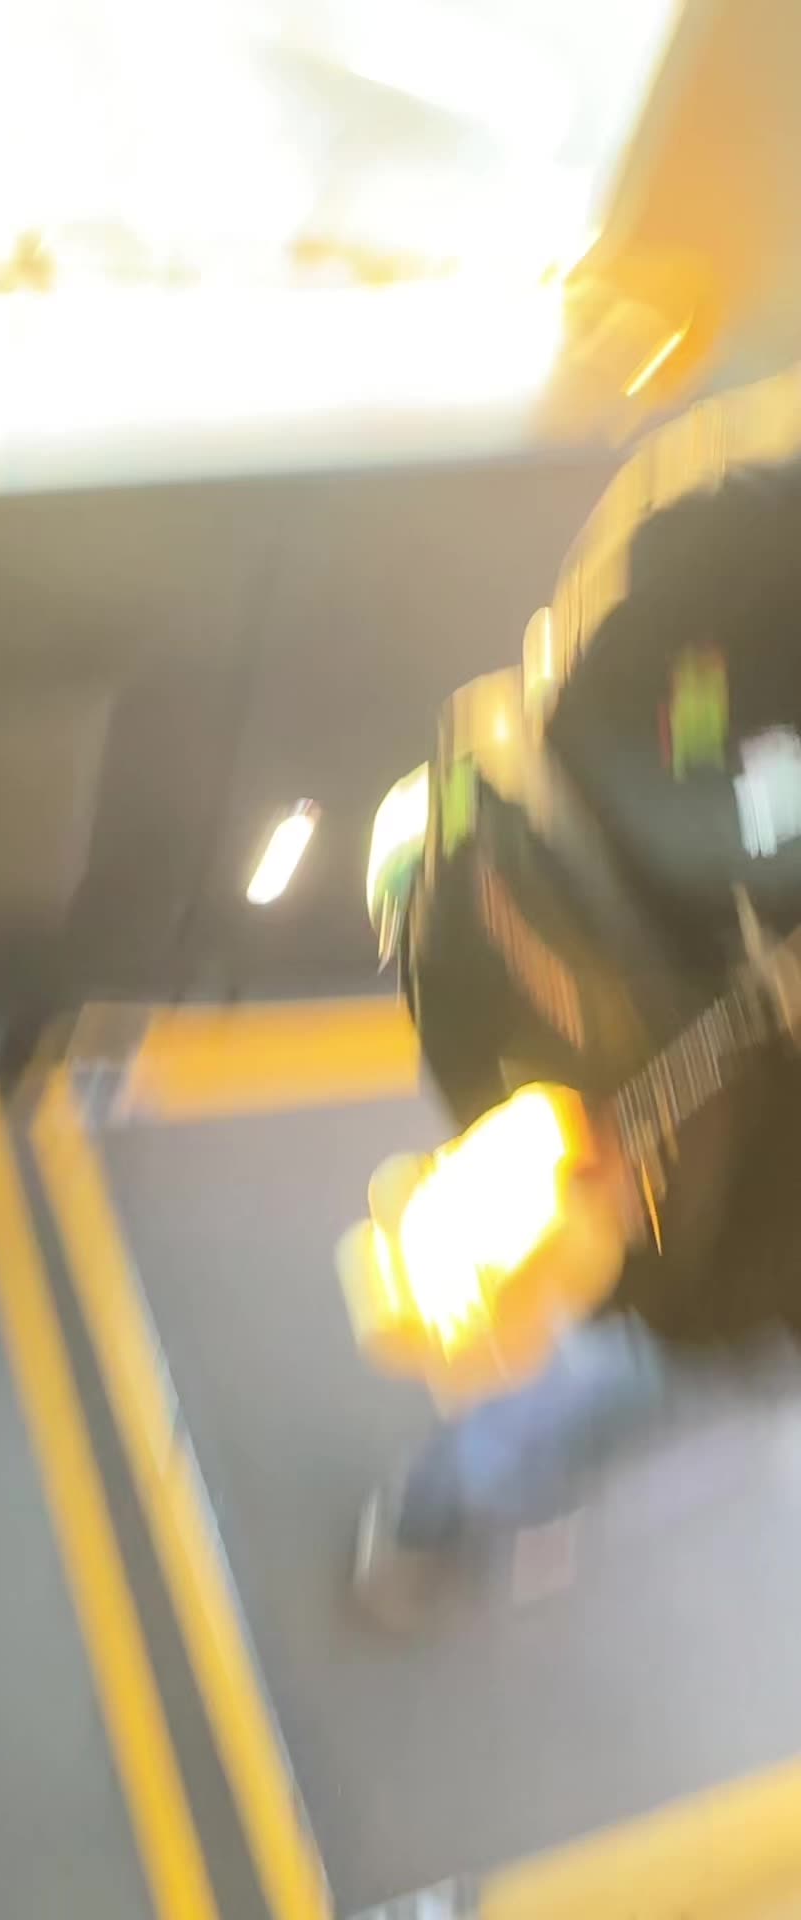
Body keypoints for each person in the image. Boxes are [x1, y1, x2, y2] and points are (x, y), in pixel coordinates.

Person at [353, 364, 801, 1629]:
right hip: (676, 1179)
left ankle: (453, 1506)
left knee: (640, 1354)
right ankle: (454, 1505)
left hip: (701, 1206)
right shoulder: (723, 564)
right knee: (634, 1363)